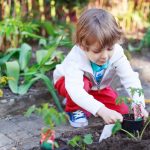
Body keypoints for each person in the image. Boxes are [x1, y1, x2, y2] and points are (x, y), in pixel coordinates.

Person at [53, 8, 148, 128]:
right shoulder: (76, 58)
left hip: (97, 87)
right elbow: (75, 90)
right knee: (82, 86)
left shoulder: (117, 53)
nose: (105, 56)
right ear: (82, 46)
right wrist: (102, 111)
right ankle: (74, 109)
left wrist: (138, 105)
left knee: (122, 111)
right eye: (97, 51)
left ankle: (85, 102)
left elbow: (130, 79)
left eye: (109, 49)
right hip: (67, 82)